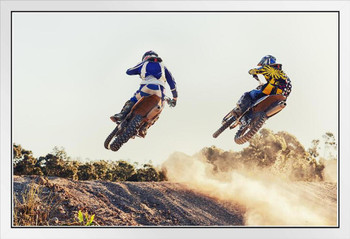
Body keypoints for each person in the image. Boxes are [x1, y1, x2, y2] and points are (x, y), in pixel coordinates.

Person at [110, 50, 178, 124]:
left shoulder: (143, 63)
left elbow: (129, 71)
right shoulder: (163, 66)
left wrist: (138, 71)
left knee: (134, 99)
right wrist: (175, 98)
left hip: (146, 88)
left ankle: (121, 115)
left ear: (145, 57)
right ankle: (145, 127)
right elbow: (172, 82)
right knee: (159, 109)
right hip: (160, 92)